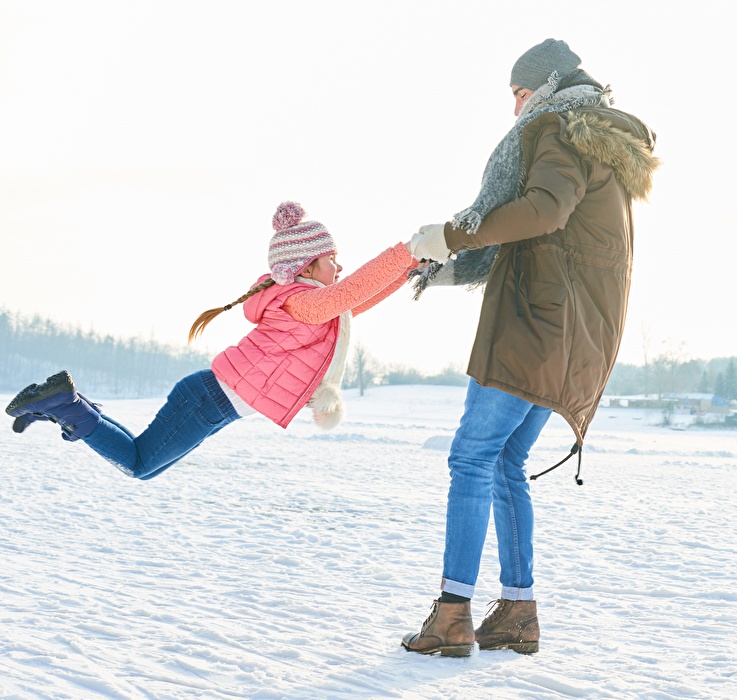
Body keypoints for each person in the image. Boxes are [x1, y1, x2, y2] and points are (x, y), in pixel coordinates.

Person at [402, 38, 659, 657]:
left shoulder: (562, 130)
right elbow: (550, 233)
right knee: (504, 464)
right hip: (573, 339)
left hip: (531, 329)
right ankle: (517, 611)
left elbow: (542, 211)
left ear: (543, 88)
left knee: (471, 458)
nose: (515, 109)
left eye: (519, 94)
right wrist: (450, 262)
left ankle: (452, 612)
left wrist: (454, 234)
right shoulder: (604, 145)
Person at [5, 201, 418, 480]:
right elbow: (350, 293)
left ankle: (63, 404)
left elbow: (358, 299)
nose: (340, 266)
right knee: (139, 465)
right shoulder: (301, 305)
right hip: (206, 401)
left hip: (210, 403)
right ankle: (64, 405)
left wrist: (415, 268)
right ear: (307, 265)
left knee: (142, 461)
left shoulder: (314, 309)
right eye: (332, 259)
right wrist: (409, 250)